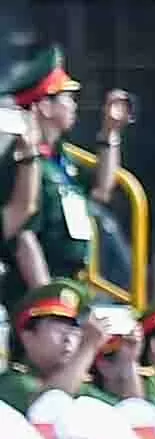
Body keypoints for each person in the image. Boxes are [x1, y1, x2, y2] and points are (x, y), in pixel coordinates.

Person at [0, 50, 115, 297]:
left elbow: (101, 190)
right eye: (68, 97)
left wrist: (110, 133)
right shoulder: (20, 163)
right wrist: (45, 300)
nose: (74, 105)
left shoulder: (60, 156)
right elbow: (23, 236)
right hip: (34, 291)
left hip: (70, 282)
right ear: (44, 106)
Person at [2, 283, 93, 409]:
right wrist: (89, 348)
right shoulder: (13, 383)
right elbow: (48, 408)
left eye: (74, 331)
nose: (68, 339)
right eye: (59, 330)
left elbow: (126, 408)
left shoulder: (79, 385)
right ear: (28, 337)